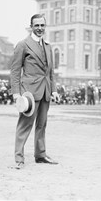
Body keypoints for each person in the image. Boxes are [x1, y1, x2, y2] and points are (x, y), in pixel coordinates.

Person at [10, 14, 60, 169]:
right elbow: (15, 71)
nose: (39, 29)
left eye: (42, 26)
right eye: (36, 25)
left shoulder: (48, 46)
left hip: (45, 91)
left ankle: (41, 155)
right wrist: (16, 93)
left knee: (42, 124)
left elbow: (50, 72)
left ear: (45, 27)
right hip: (29, 93)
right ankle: (19, 158)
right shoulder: (23, 44)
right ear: (31, 26)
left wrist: (54, 90)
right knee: (25, 125)